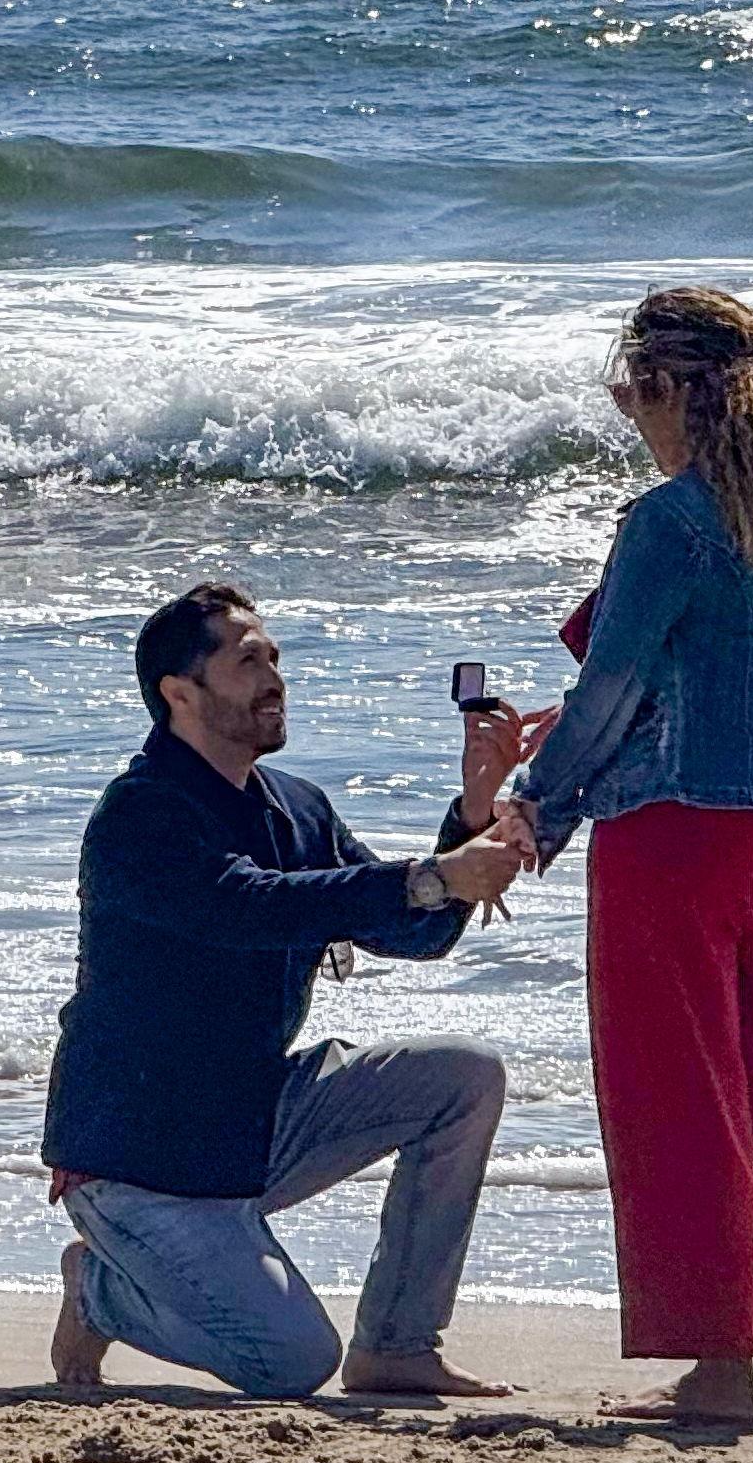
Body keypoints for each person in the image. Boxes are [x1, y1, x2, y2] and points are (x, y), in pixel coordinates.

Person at [492, 288, 753, 1425]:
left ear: (668, 390)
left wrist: (536, 809)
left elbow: (618, 685)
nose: (623, 410)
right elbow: (744, 680)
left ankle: (719, 1365)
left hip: (677, 832)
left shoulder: (670, 522)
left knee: (677, 1093)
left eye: (629, 389)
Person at [41, 583, 529, 1402]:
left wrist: (471, 814)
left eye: (273, 656)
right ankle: (100, 1288)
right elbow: (246, 906)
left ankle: (399, 1345)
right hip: (139, 1160)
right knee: (292, 1363)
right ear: (179, 693)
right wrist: (430, 876)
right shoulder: (141, 813)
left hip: (253, 1119)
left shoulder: (297, 806)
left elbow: (417, 930)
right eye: (246, 660)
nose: (272, 676)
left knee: (464, 1074)